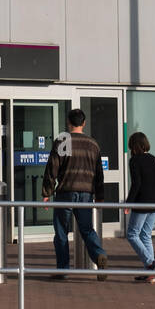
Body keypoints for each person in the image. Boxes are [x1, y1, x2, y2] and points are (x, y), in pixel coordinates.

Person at [42, 108, 107, 280]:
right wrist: (100, 196)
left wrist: (47, 191)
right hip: (86, 193)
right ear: (83, 123)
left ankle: (62, 269)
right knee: (86, 229)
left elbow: (52, 167)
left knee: (62, 231)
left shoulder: (63, 140)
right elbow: (99, 173)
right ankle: (99, 256)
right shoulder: (93, 144)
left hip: (66, 191)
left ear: (68, 123)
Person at [124, 132, 155, 282]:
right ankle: (151, 272)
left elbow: (136, 184)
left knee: (132, 234)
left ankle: (150, 263)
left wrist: (129, 203)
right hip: (154, 202)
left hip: (142, 202)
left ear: (134, 146)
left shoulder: (134, 161)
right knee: (145, 235)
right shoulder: (153, 159)